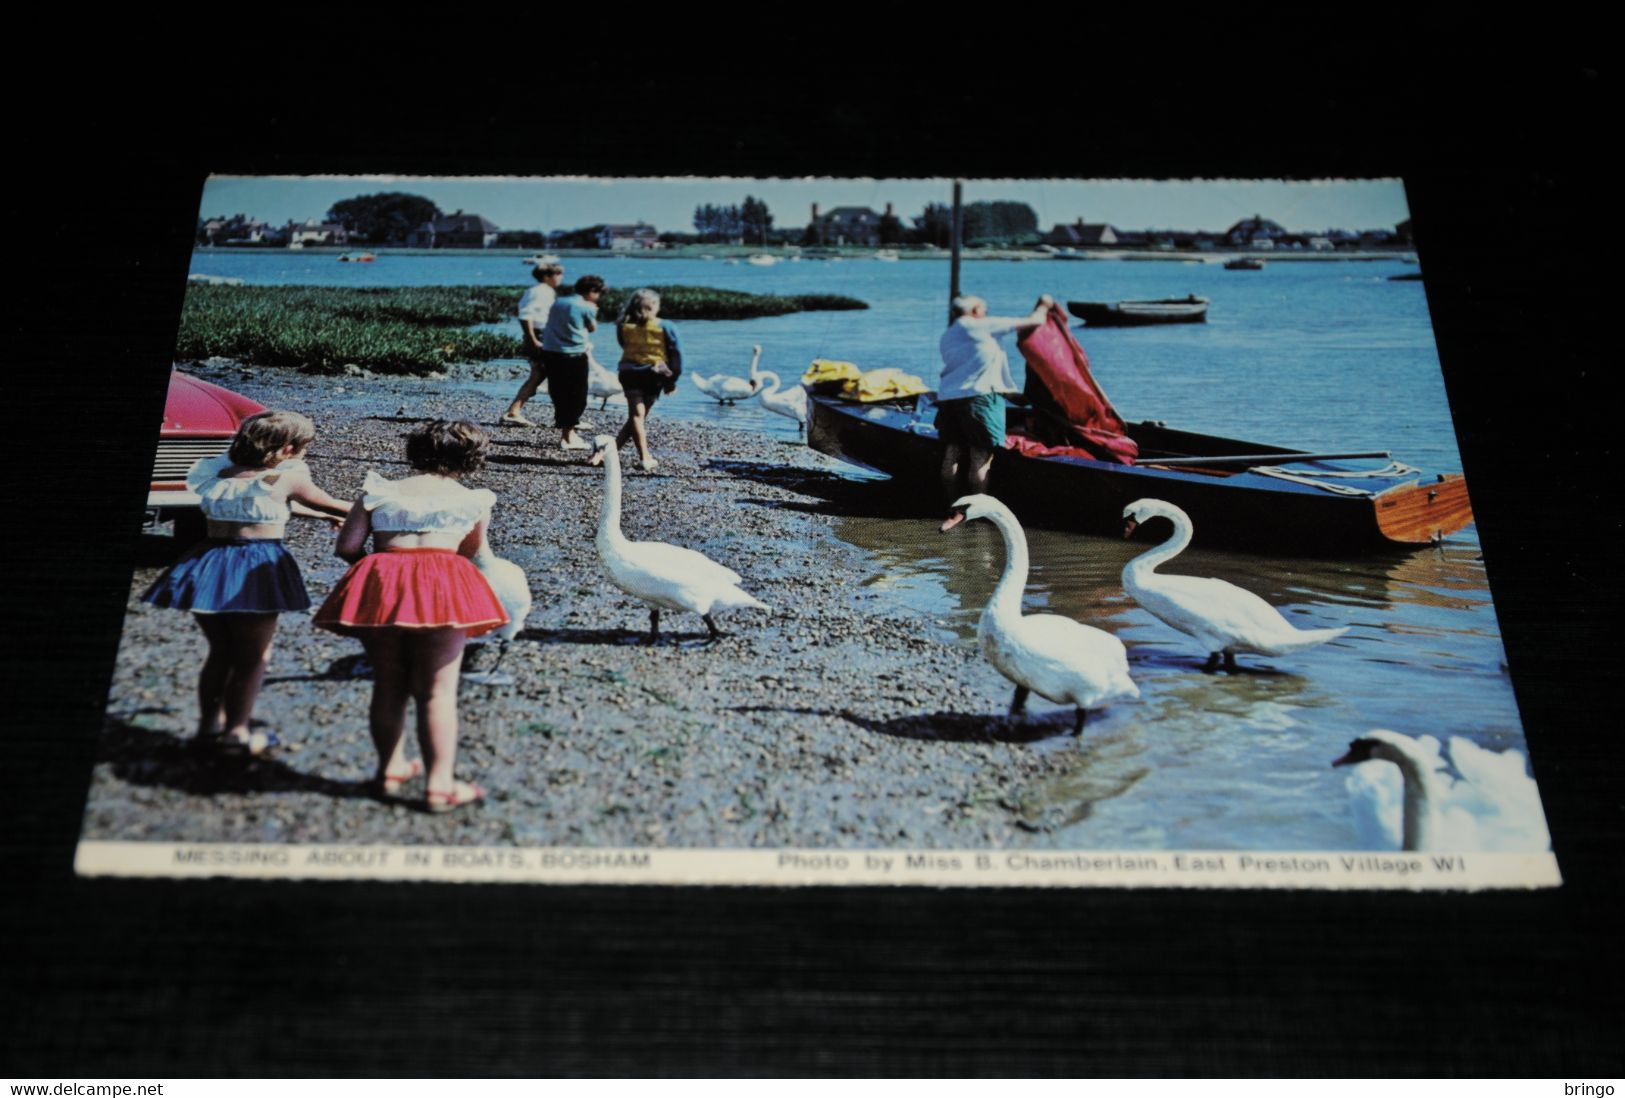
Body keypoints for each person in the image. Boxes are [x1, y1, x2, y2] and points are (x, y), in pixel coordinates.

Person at [313, 420, 509, 813]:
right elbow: (468, 551)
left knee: (389, 684)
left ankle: (390, 770)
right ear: (470, 459)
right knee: (438, 691)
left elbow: (348, 546)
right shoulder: (473, 499)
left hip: (383, 579)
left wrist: (377, 566)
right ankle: (439, 786)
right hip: (443, 580)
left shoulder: (379, 490)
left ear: (415, 452)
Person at [142, 410, 352, 755]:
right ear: (286, 450)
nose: (304, 454)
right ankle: (236, 733)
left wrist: (319, 516)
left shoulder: (220, 474)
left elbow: (261, 503)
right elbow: (335, 504)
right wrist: (380, 508)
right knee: (254, 657)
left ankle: (208, 727)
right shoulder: (287, 478)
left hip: (208, 563)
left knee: (220, 652)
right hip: (255, 564)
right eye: (303, 448)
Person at [935, 293, 1054, 517]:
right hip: (979, 399)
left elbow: (973, 367)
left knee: (952, 453)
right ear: (974, 311)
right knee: (981, 457)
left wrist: (1009, 394)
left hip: (949, 398)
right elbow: (1034, 321)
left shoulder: (948, 335)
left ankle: (951, 505)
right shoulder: (980, 327)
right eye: (984, 309)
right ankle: (977, 512)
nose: (986, 313)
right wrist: (1044, 304)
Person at [607, 287, 683, 471]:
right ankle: (645, 457)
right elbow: (676, 356)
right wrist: (671, 381)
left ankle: (610, 452)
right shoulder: (666, 326)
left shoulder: (622, 325)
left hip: (629, 372)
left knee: (636, 417)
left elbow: (623, 344)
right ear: (654, 306)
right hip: (654, 374)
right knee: (638, 416)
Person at [539, 274, 607, 451]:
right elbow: (592, 328)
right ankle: (568, 436)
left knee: (559, 392)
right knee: (577, 395)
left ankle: (567, 431)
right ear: (592, 291)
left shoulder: (558, 302)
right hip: (574, 354)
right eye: (598, 293)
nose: (599, 297)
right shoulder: (586, 306)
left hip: (552, 352)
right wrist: (594, 311)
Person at [500, 262, 566, 426]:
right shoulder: (540, 292)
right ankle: (515, 411)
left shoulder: (543, 291)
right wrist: (532, 339)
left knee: (542, 375)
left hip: (544, 335)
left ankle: (515, 411)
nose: (561, 278)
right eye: (557, 274)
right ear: (547, 276)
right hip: (541, 335)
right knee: (547, 375)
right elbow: (525, 316)